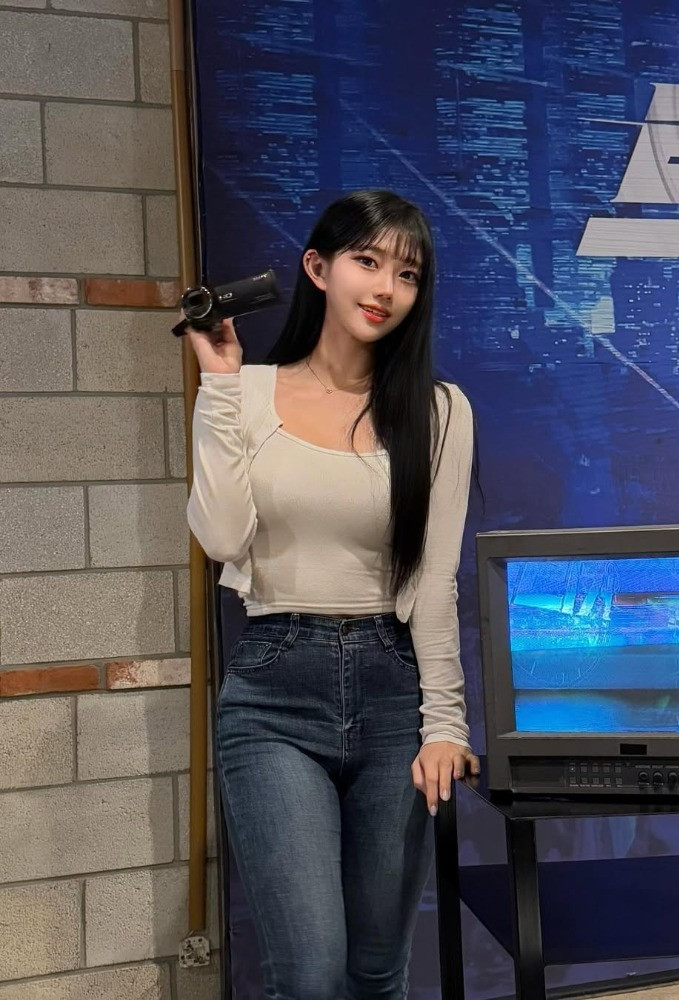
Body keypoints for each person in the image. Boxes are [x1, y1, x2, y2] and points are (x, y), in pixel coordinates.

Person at [185, 189, 479, 999]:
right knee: (311, 976)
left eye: (407, 274)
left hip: (393, 694)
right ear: (318, 268)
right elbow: (221, 538)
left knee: (378, 972)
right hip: (275, 694)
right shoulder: (247, 392)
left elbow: (433, 578)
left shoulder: (440, 411)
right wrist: (218, 384)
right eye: (368, 261)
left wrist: (444, 724)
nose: (386, 287)